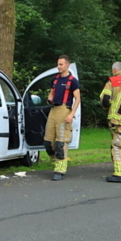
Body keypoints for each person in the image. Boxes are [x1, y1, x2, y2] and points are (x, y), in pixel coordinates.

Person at [45, 54, 80, 182]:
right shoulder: (55, 80)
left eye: (61, 64)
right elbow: (51, 93)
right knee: (48, 142)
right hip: (53, 110)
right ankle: (56, 162)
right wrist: (49, 99)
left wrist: (71, 114)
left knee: (61, 142)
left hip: (64, 110)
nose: (58, 67)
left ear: (67, 65)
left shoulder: (72, 81)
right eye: (58, 64)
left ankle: (59, 169)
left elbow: (78, 98)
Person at [99, 61, 121, 158]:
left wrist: (107, 108)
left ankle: (118, 162)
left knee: (116, 140)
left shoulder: (112, 82)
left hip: (114, 117)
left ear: (114, 70)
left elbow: (105, 99)